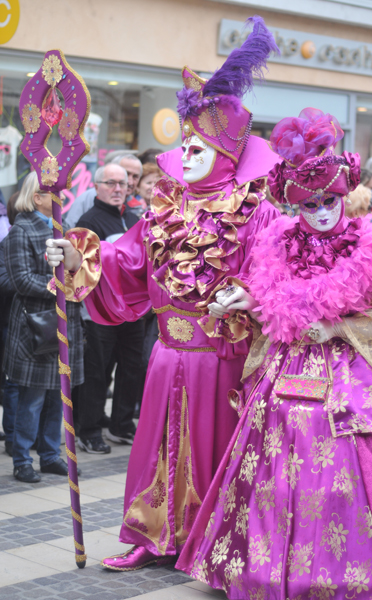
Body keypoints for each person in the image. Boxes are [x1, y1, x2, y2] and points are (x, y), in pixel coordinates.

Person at [46, 16, 280, 571]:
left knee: (211, 451)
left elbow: (278, 277)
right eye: (188, 142)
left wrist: (247, 294)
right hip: (166, 354)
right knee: (156, 447)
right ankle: (153, 535)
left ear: (228, 152)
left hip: (223, 359)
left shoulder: (257, 211)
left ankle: (211, 544)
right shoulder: (163, 211)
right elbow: (122, 259)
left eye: (203, 143)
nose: (190, 152)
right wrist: (74, 254)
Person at [177, 108, 372, 600]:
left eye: (329, 200)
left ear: (345, 194)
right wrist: (245, 299)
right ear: (294, 204)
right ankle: (259, 569)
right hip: (285, 372)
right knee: (272, 467)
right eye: (309, 203)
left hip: (352, 379)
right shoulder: (278, 244)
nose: (321, 210)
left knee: (347, 471)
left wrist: (340, 326)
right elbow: (273, 300)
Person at [3, 172, 84, 483]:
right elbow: (21, 281)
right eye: (55, 192)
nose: (63, 196)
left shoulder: (64, 229)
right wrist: (60, 285)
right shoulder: (20, 231)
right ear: (37, 197)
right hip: (35, 325)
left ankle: (50, 455)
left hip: (65, 321)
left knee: (58, 395)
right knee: (33, 397)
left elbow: (83, 269)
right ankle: (22, 459)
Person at [74, 163, 143, 453]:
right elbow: (82, 270)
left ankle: (122, 425)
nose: (118, 189)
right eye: (111, 183)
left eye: (123, 184)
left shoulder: (134, 217)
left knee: (132, 368)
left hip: (134, 310)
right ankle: (88, 430)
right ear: (96, 186)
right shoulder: (89, 222)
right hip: (100, 311)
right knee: (97, 372)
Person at [64, 152, 142, 229]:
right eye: (127, 174)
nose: (130, 181)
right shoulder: (88, 198)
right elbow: (71, 230)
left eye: (135, 176)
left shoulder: (137, 207)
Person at [0, 192, 21, 457]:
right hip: (9, 315)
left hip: (11, 315)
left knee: (13, 381)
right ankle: (15, 437)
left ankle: (17, 436)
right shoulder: (12, 237)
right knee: (13, 382)